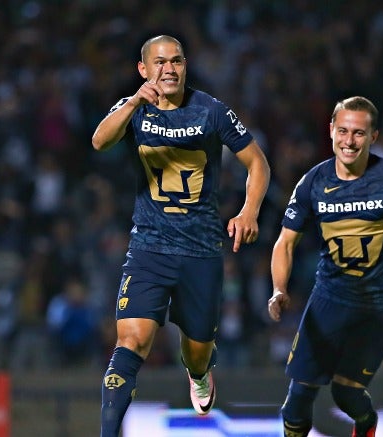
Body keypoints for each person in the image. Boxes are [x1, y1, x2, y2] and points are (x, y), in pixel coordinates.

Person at [91, 35, 270, 437]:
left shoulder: (211, 111)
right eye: (159, 62)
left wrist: (248, 210)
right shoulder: (133, 107)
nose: (168, 69)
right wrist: (135, 101)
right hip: (149, 247)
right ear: (143, 69)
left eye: (176, 61)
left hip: (201, 250)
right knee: (131, 342)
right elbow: (100, 141)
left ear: (185, 66)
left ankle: (200, 372)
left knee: (197, 351)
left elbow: (257, 163)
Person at [267, 96, 383, 437]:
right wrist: (279, 289)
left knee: (346, 393)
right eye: (343, 131)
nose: (349, 141)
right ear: (331, 131)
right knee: (296, 401)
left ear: (374, 136)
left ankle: (366, 423)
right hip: (329, 297)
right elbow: (285, 242)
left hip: (378, 303)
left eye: (359, 133)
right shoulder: (312, 182)